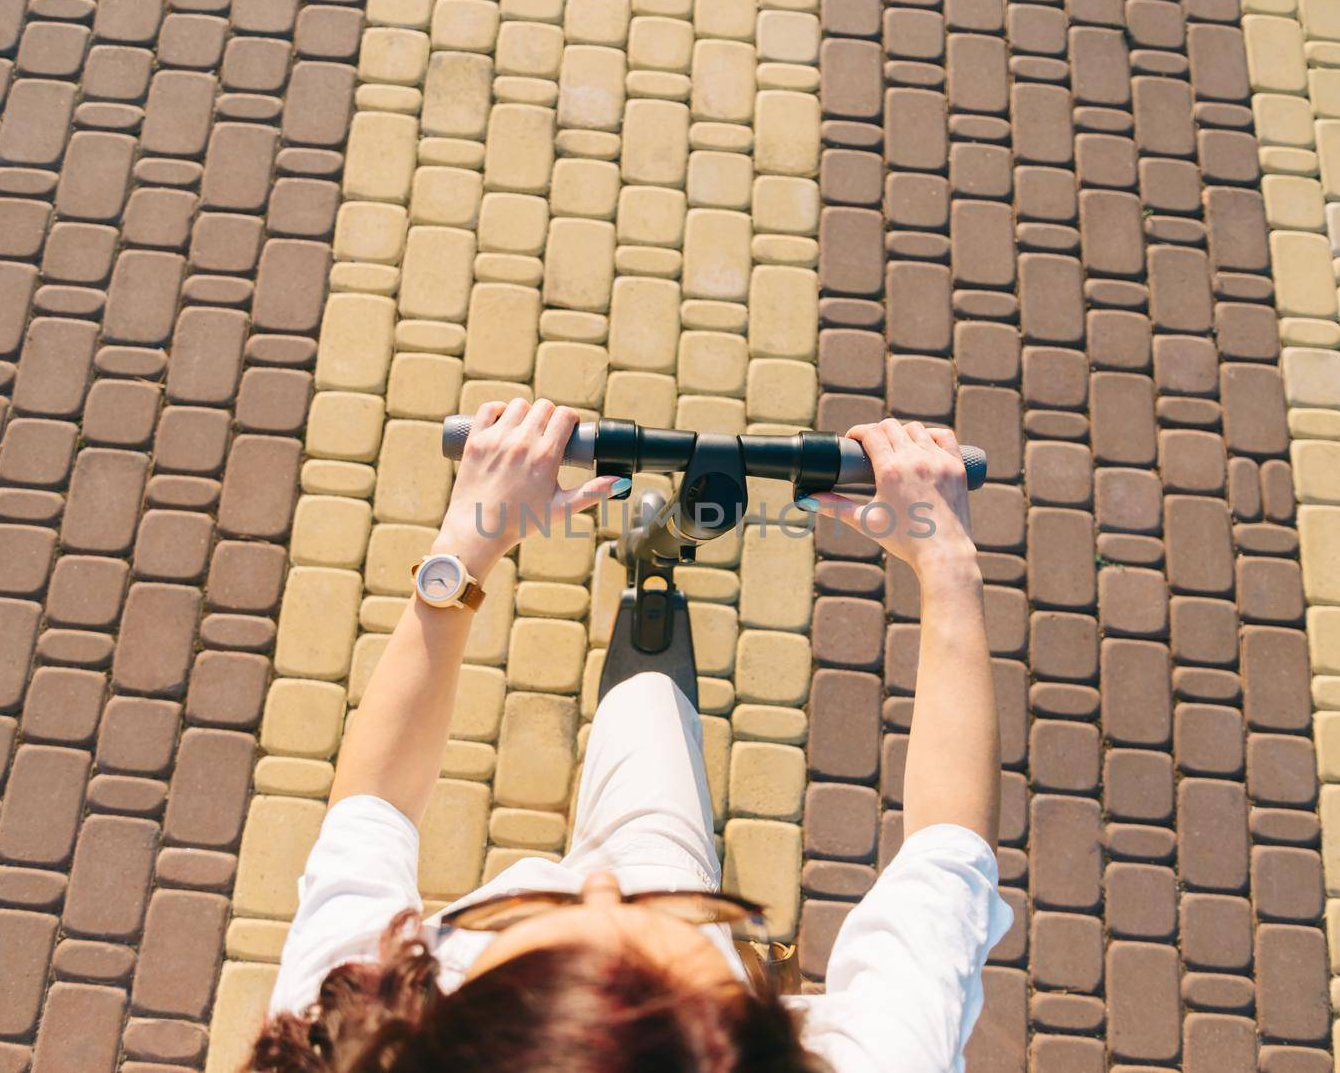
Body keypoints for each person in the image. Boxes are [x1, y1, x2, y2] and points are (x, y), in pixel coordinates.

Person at [248, 398, 1012, 1073]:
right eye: (650, 939)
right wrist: (947, 561)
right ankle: (656, 567)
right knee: (652, 753)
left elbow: (369, 813)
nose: (600, 883)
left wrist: (468, 542)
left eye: (537, 923)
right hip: (670, 865)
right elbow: (947, 856)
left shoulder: (348, 1029)